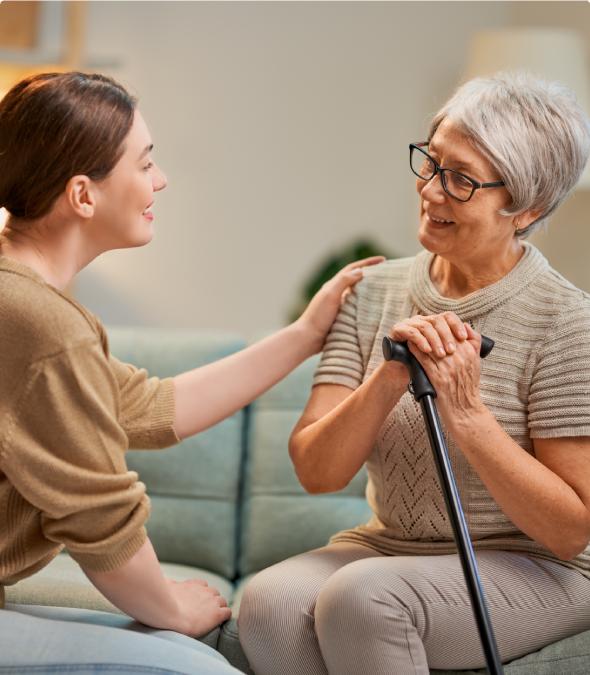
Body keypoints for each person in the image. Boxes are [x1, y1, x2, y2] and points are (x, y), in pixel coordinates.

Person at [0, 71, 383, 671]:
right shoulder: (40, 323)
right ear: (83, 195)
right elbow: (98, 515)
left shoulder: (26, 303)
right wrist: (171, 611)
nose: (161, 179)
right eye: (144, 163)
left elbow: (148, 408)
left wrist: (306, 335)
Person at [238, 71, 590, 675]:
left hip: (536, 566)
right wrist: (390, 378)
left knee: (365, 598)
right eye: (431, 163)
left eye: (461, 179)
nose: (431, 190)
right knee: (269, 604)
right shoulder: (371, 291)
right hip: (388, 545)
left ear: (526, 207)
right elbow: (317, 472)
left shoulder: (568, 322)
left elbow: (570, 531)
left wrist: (466, 411)